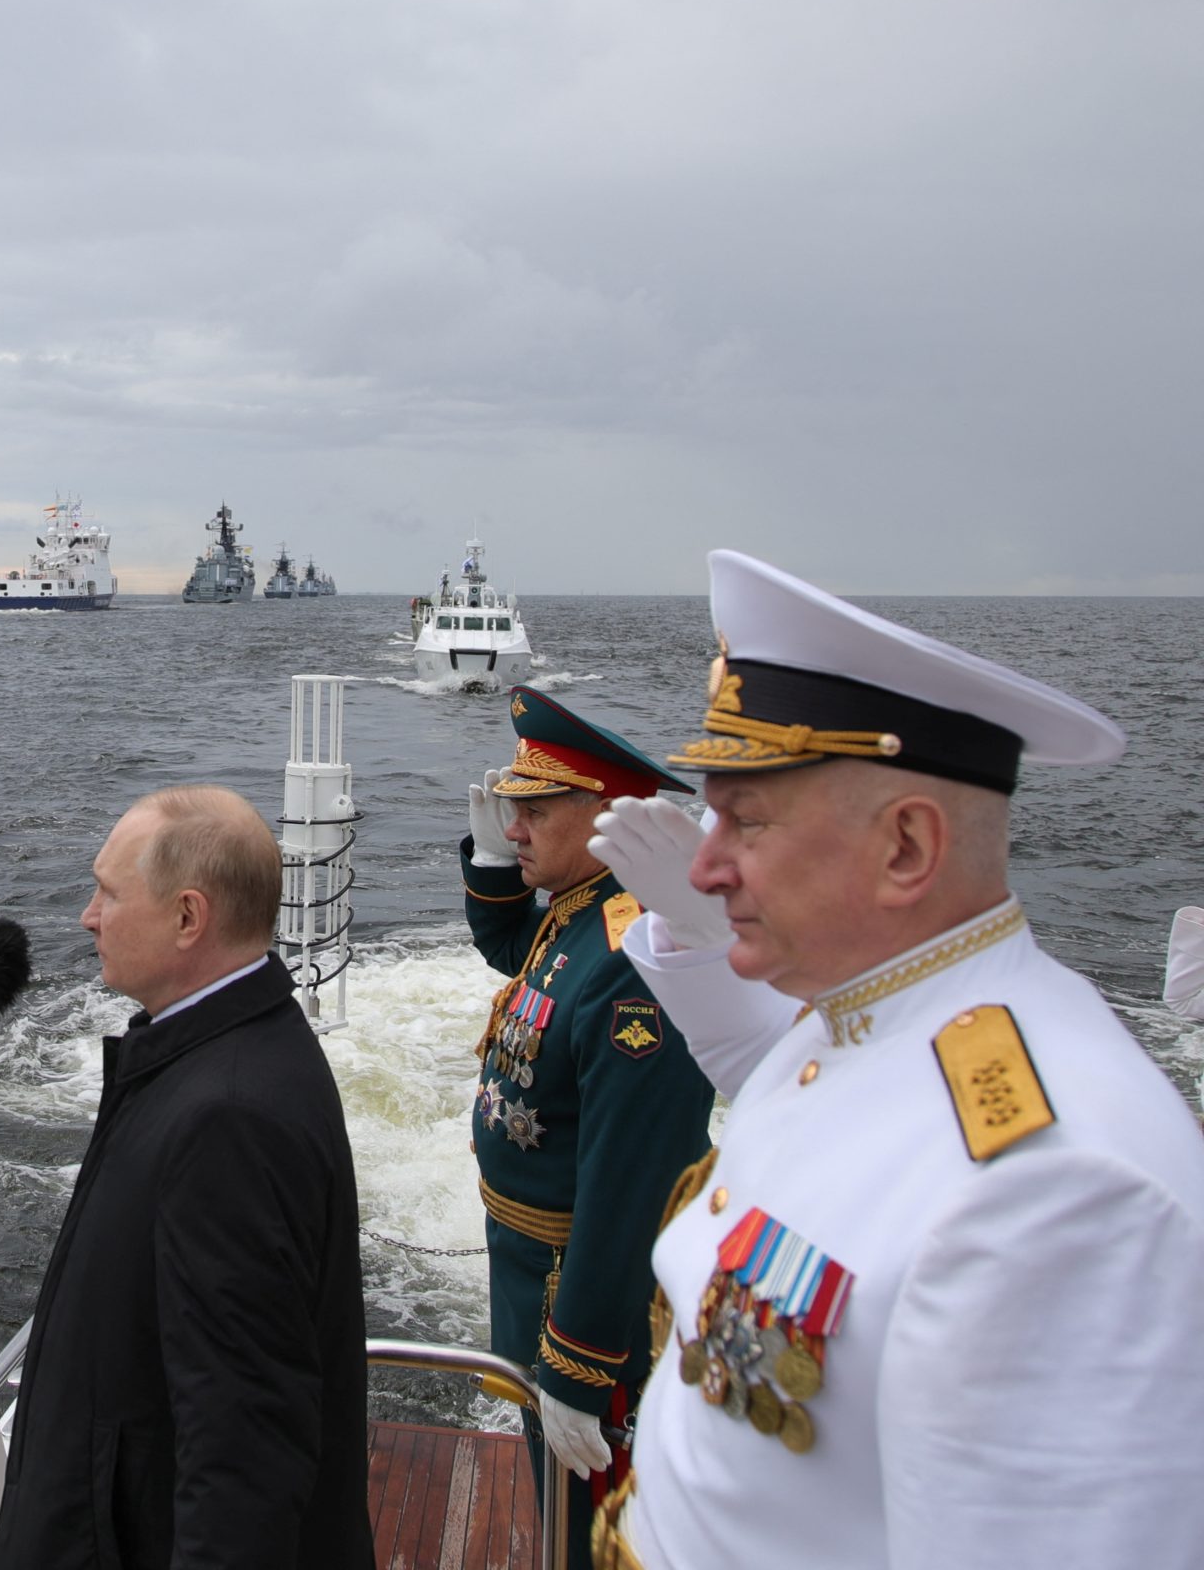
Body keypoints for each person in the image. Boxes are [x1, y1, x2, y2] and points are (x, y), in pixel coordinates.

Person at [583, 550, 1204, 1569]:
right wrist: (700, 936)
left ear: (906, 847)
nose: (703, 862)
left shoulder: (1056, 1190)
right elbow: (820, 1129)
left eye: (742, 818)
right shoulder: (863, 1019)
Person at [0, 786, 373, 1570]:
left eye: (108, 892)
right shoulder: (218, 1055)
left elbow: (246, 1447)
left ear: (187, 917)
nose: (87, 917)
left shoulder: (226, 1115)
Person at [459, 688, 715, 1570]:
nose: (515, 823)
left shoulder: (636, 958)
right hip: (528, 1272)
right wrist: (496, 859)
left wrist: (579, 1366)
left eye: (533, 808)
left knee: (599, 1535)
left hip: (583, 1298)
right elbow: (521, 953)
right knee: (558, 1501)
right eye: (510, 806)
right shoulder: (579, 914)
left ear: (604, 813)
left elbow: (629, 1183)